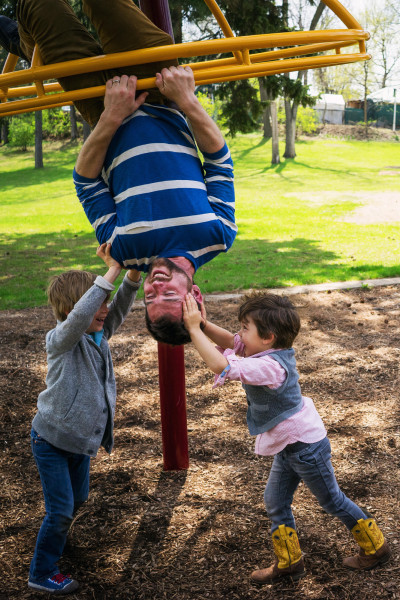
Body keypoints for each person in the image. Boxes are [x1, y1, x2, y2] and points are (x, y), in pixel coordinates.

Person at [5, 0, 236, 345]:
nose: (155, 288)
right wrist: (188, 101)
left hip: (102, 105)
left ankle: (24, 39)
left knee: (38, 7)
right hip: (163, 94)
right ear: (196, 297)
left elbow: (85, 181)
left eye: (150, 299)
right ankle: (22, 42)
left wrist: (111, 116)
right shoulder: (217, 235)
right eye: (169, 296)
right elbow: (219, 161)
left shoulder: (123, 250)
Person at [181, 292, 392, 583]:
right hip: (288, 445)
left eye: (245, 326)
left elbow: (222, 366)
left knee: (331, 500)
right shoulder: (264, 350)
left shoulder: (270, 366)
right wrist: (203, 325)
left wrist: (193, 329)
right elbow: (234, 342)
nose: (239, 333)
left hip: (305, 447)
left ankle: (376, 547)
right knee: (275, 502)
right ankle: (290, 562)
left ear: (267, 337)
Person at [28, 244, 141, 595]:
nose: (105, 309)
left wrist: (133, 273)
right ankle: (41, 572)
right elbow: (82, 316)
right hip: (51, 441)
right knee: (60, 510)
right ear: (71, 309)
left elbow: (117, 308)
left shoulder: (98, 336)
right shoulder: (60, 340)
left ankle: (58, 536)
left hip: (79, 442)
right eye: (99, 303)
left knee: (77, 502)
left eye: (105, 302)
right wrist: (110, 271)